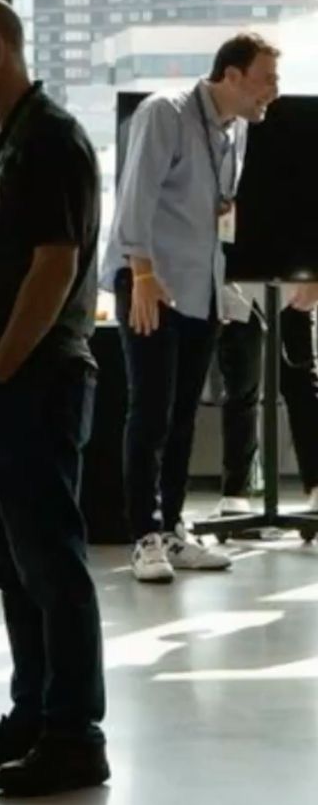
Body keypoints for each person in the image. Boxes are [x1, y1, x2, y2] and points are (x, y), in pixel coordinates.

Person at [0, 0, 109, 800]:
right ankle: (33, 712)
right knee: (10, 560)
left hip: (32, 383)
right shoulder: (2, 145)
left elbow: (55, 267)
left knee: (49, 559)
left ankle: (74, 733)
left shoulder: (52, 141)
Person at [103, 33, 280, 583]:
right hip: (152, 281)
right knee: (150, 411)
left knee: (181, 415)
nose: (273, 91)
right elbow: (135, 195)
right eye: (266, 79)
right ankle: (144, 536)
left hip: (199, 287)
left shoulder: (237, 132)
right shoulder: (166, 114)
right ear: (231, 75)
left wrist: (218, 284)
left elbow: (216, 211)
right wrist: (144, 274)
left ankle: (174, 528)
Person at [216, 286, 318, 515]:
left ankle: (316, 484)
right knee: (240, 388)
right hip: (236, 292)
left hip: (292, 288)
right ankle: (235, 492)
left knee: (301, 388)